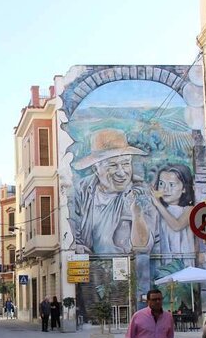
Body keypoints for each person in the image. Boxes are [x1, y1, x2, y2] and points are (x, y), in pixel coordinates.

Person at [67, 129, 161, 301]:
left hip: (128, 278)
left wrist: (137, 214)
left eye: (126, 164)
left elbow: (143, 247)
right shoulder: (83, 189)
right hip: (91, 278)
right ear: (96, 168)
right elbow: (73, 225)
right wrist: (77, 245)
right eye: (113, 165)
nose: (121, 172)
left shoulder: (140, 193)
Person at [150, 164, 197, 264]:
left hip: (183, 261)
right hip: (163, 260)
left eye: (172, 185)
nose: (165, 189)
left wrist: (158, 203)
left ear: (184, 188)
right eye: (161, 184)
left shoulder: (189, 209)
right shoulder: (156, 209)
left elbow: (177, 226)